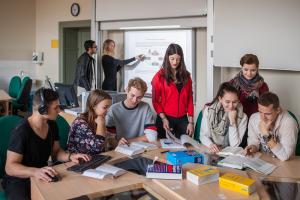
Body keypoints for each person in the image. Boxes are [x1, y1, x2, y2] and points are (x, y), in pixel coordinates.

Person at [2, 88, 90, 200]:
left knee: (76, 195)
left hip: (43, 173)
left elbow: (56, 152)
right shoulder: (21, 131)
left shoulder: (52, 125)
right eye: (55, 108)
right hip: (19, 179)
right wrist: (35, 172)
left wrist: (70, 156)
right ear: (42, 109)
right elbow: (10, 167)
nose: (59, 111)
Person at [151, 43, 194, 139]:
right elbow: (155, 101)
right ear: (167, 58)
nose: (175, 62)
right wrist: (164, 118)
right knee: (163, 148)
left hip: (183, 119)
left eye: (178, 59)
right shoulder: (159, 77)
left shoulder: (186, 76)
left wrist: (191, 122)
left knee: (186, 146)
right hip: (165, 118)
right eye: (172, 59)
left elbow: (190, 100)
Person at [245, 92, 298, 161]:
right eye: (260, 112)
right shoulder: (254, 118)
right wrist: (253, 147)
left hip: (285, 163)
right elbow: (253, 140)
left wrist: (266, 134)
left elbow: (285, 156)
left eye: (268, 114)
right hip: (264, 160)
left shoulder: (289, 122)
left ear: (278, 110)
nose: (263, 118)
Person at [106, 77, 157, 145]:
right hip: (120, 147)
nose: (134, 100)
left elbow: (152, 137)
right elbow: (109, 138)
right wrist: (118, 143)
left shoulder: (146, 107)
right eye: (132, 95)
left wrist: (127, 141)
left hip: (140, 146)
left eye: (139, 97)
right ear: (127, 90)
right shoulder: (113, 109)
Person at [200, 82, 248, 153]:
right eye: (227, 102)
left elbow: (234, 145)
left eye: (234, 102)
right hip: (211, 150)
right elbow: (203, 136)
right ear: (220, 99)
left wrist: (232, 122)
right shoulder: (209, 111)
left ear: (238, 100)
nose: (231, 106)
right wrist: (211, 144)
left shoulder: (243, 117)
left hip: (229, 154)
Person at [67, 90, 112, 156]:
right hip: (78, 162)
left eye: (109, 107)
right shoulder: (80, 123)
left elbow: (106, 139)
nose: (108, 111)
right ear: (93, 106)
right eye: (105, 107)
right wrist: (101, 124)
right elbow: (98, 148)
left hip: (93, 159)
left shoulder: (98, 118)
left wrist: (114, 140)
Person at [230, 54, 269, 118]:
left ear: (257, 69)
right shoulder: (233, 82)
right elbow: (224, 98)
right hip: (238, 117)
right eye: (246, 69)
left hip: (255, 119)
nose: (249, 73)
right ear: (241, 67)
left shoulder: (262, 86)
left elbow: (267, 105)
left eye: (253, 70)